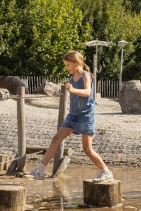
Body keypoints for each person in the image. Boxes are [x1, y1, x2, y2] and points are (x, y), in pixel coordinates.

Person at [29, 51, 112, 180]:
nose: (66, 68)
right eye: (66, 65)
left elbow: (87, 92)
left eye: (68, 65)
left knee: (87, 149)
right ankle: (40, 169)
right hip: (72, 116)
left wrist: (72, 90)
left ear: (77, 62)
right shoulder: (72, 78)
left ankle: (106, 171)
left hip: (85, 116)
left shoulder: (86, 76)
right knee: (56, 138)